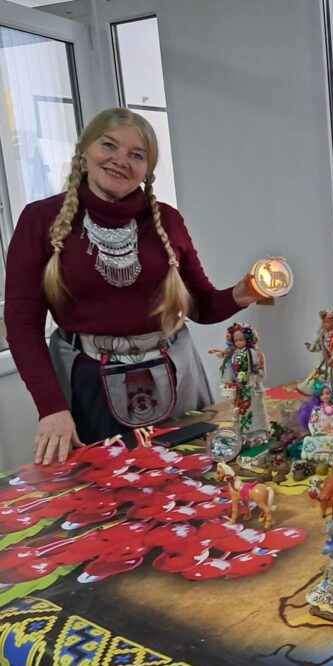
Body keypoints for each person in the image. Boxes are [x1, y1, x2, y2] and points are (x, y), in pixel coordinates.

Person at [4, 108, 264, 463]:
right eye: (109, 145)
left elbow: (201, 305)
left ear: (147, 171)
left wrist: (245, 292)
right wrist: (51, 407)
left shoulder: (166, 220)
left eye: (137, 155)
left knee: (195, 477)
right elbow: (21, 323)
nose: (120, 160)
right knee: (103, 488)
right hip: (87, 387)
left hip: (176, 377)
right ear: (84, 150)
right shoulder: (40, 220)